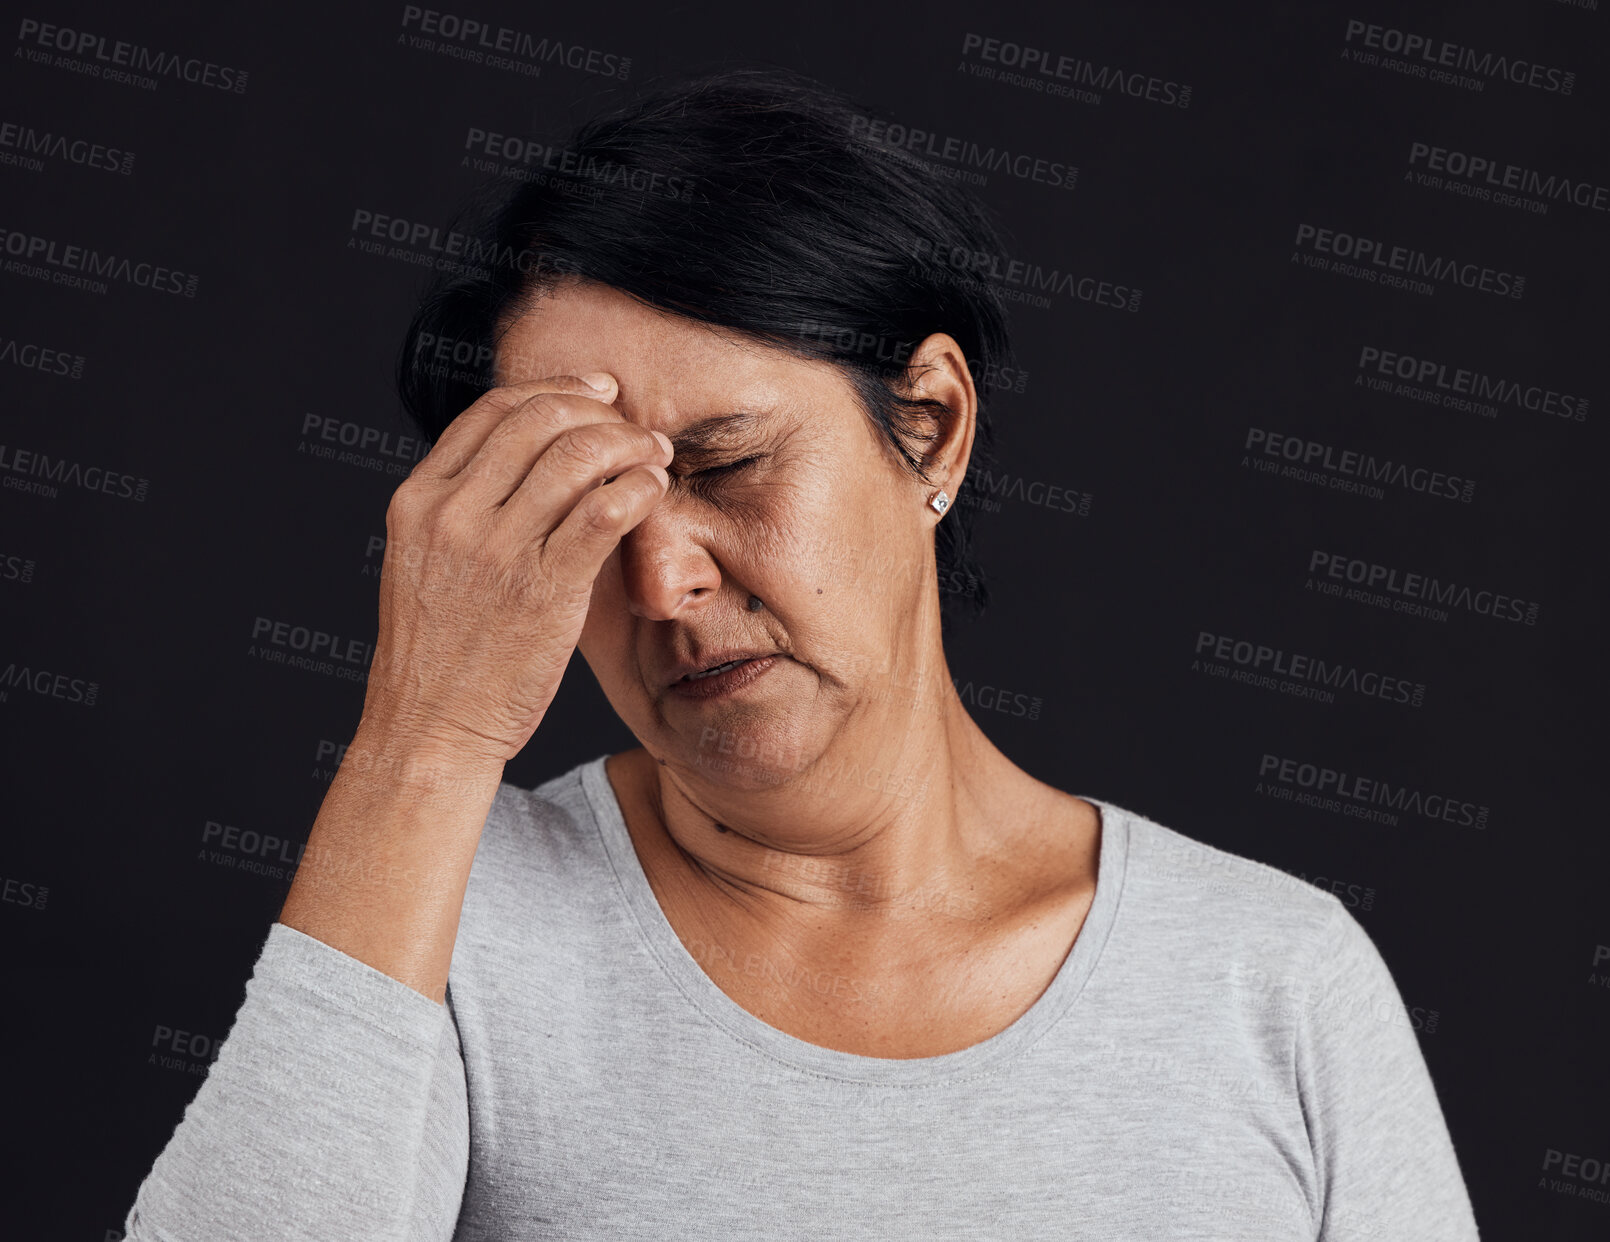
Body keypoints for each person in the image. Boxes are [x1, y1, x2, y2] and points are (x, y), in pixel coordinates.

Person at [121, 67, 1481, 1240]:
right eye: (579, 517)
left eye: (727, 465)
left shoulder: (1268, 982)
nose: (662, 577)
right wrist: (420, 745)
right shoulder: (437, 929)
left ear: (931, 424)